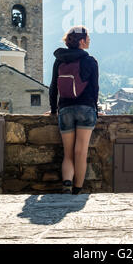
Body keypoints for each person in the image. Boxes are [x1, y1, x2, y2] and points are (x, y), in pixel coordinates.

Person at [44, 25, 99, 194]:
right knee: (80, 151)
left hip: (65, 109)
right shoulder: (90, 61)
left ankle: (66, 185)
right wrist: (95, 109)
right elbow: (94, 89)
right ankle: (77, 189)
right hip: (86, 109)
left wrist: (54, 110)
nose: (90, 39)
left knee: (68, 153)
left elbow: (53, 87)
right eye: (88, 37)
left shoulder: (60, 60)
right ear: (82, 41)